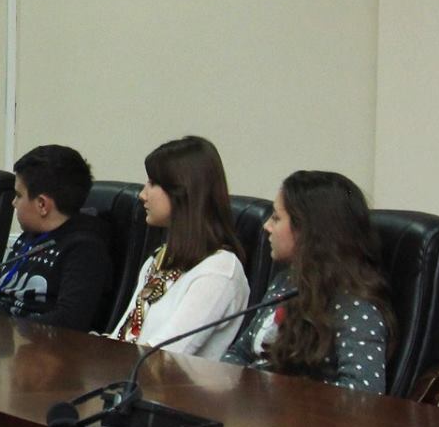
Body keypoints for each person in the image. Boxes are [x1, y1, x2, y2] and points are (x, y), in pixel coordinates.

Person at [223, 170, 393, 394]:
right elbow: (240, 353)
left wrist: (273, 396)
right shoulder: (286, 282)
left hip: (299, 414)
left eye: (276, 218)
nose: (266, 226)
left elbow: (363, 393)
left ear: (306, 230)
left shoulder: (355, 305)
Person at [109, 137, 251, 354]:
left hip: (162, 376)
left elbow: (164, 355)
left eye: (152, 183)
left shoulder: (219, 270)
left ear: (182, 191)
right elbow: (124, 336)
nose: (142, 195)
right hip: (125, 371)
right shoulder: (159, 259)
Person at [0, 144, 111, 331]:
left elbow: (69, 319)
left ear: (42, 204)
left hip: (33, 343)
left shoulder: (85, 249)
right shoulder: (29, 237)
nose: (13, 202)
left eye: (18, 195)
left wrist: (7, 333)